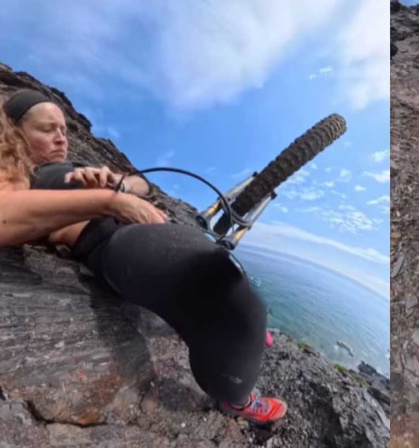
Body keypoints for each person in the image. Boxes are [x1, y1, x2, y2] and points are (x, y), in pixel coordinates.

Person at [0, 89, 287, 425]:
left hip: (144, 229)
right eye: (47, 130)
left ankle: (239, 332)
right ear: (16, 134)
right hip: (113, 240)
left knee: (227, 276)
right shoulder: (21, 171)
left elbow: (144, 186)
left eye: (63, 129)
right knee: (240, 305)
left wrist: (119, 185)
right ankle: (237, 399)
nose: (61, 138)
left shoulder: (72, 168)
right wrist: (107, 202)